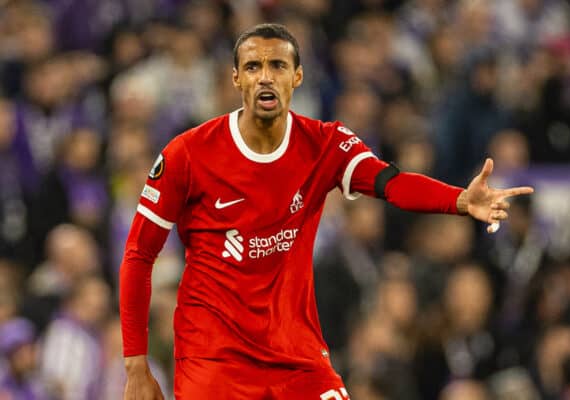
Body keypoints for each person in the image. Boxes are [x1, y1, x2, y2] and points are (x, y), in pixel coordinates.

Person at [119, 23, 534, 399]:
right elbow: (139, 255)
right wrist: (136, 364)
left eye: (278, 65)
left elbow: (391, 183)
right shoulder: (188, 154)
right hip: (214, 360)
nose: (266, 76)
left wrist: (458, 199)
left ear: (296, 77)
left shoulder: (324, 144)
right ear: (236, 79)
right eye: (253, 66)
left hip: (295, 356)